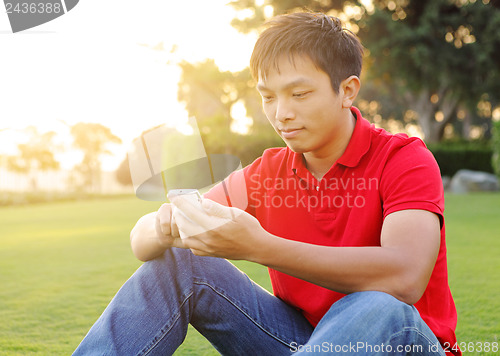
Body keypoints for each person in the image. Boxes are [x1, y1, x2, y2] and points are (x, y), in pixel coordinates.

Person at [74, 12, 460, 355]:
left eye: (299, 94)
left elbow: (406, 277)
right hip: (304, 342)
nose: (282, 113)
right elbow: (141, 241)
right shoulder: (268, 171)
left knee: (377, 304)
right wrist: (165, 225)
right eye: (268, 97)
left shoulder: (403, 158)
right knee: (179, 261)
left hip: (401, 340)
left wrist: (261, 246)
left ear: (347, 90)